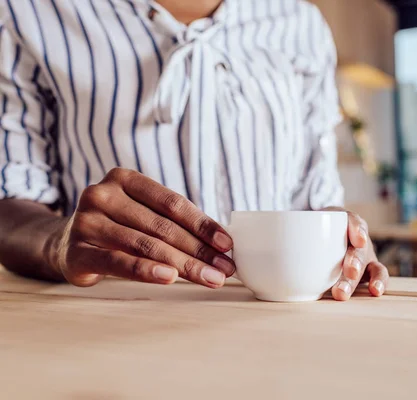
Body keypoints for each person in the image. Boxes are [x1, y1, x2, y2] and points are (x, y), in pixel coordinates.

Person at [0, 0, 389, 301]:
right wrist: (60, 241)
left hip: (271, 328)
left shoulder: (301, 24)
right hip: (110, 319)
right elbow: (9, 203)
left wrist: (346, 241)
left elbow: (317, 197)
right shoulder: (29, 13)